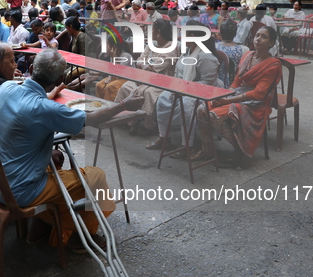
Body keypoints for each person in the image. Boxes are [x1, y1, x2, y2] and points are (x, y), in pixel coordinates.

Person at [0, 48, 143, 250]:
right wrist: (123, 104)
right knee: (95, 177)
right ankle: (82, 235)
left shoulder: (7, 87)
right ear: (60, 78)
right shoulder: (46, 108)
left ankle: (42, 226)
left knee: (55, 160)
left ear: (32, 68)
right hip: (18, 191)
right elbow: (92, 119)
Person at [192, 26, 282, 169]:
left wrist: (228, 100)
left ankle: (241, 149)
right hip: (237, 95)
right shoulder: (248, 55)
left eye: (264, 37)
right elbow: (237, 80)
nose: (258, 39)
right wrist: (227, 93)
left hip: (255, 103)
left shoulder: (273, 64)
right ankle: (207, 150)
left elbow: (258, 93)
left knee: (213, 115)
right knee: (202, 108)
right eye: (257, 35)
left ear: (271, 43)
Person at [148, 22, 223, 154]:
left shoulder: (206, 57)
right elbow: (178, 73)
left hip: (203, 92)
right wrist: (176, 88)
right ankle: (164, 137)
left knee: (186, 105)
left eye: (184, 34)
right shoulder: (188, 51)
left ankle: (187, 145)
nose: (181, 37)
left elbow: (207, 84)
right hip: (184, 88)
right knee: (163, 98)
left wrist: (184, 90)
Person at [114, 19, 181, 134]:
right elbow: (140, 59)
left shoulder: (172, 47)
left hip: (164, 81)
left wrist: (145, 65)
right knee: (126, 86)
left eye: (152, 30)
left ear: (158, 32)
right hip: (146, 78)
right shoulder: (152, 44)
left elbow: (155, 67)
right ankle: (127, 119)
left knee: (148, 93)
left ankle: (148, 126)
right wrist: (145, 65)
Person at [95, 36, 133, 101]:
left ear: (114, 47)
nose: (106, 46)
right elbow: (111, 71)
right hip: (114, 77)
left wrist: (114, 58)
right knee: (99, 85)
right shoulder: (112, 55)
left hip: (126, 79)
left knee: (110, 86)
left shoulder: (126, 56)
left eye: (108, 44)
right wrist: (109, 79)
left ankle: (110, 106)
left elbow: (120, 73)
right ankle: (100, 104)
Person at [216, 19, 250, 87]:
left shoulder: (214, 47)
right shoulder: (244, 49)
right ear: (235, 33)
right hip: (236, 85)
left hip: (216, 84)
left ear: (221, 33)